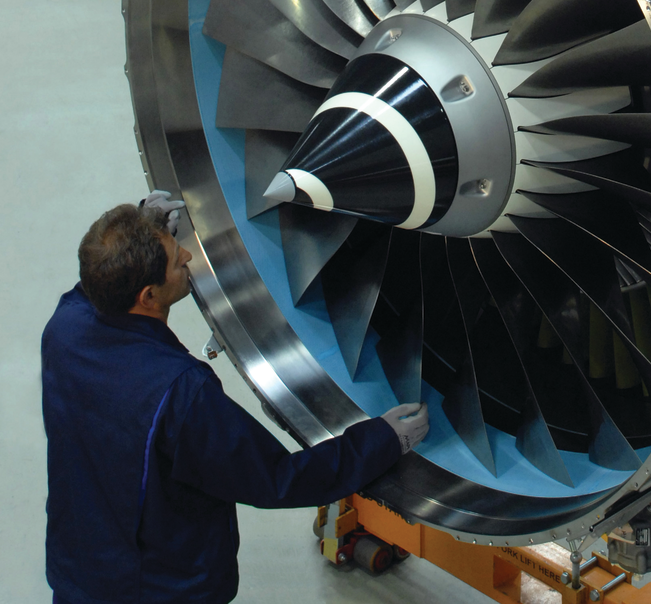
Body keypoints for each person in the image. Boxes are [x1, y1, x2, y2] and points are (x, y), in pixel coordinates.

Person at [42, 192, 429, 604]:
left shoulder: (63, 329)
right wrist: (382, 441)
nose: (188, 257)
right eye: (176, 261)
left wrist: (142, 227)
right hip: (156, 589)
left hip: (80, 573)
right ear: (148, 297)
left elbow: (96, 277)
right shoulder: (180, 393)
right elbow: (277, 480)